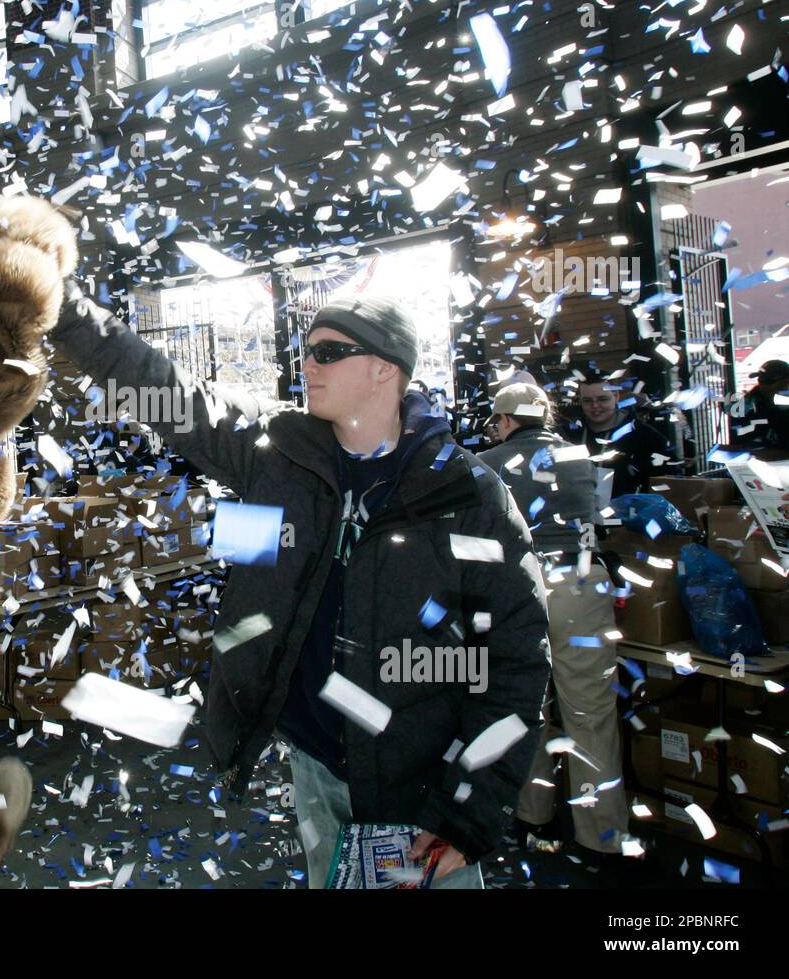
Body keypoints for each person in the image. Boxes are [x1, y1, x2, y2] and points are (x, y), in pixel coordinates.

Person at [50, 285, 550, 888]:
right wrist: (59, 304)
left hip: (418, 790)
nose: (307, 365)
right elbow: (165, 392)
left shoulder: (469, 495)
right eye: (307, 351)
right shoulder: (278, 450)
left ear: (384, 369)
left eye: (329, 352)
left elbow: (517, 662)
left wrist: (468, 814)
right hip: (315, 766)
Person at [478, 383, 630, 861]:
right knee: (591, 714)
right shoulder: (582, 457)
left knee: (525, 707)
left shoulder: (486, 463)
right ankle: (601, 840)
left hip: (519, 587)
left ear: (504, 421)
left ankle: (530, 818)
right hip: (583, 580)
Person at [560, 375, 674, 497]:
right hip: (581, 513)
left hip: (632, 512)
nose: (595, 406)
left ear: (616, 397)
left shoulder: (645, 436)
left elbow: (666, 483)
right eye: (587, 401)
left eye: (602, 399)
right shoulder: (569, 435)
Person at [729, 359, 789, 453]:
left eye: (768, 381)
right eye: (760, 380)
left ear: (786, 382)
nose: (762, 385)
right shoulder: (753, 399)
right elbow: (737, 432)